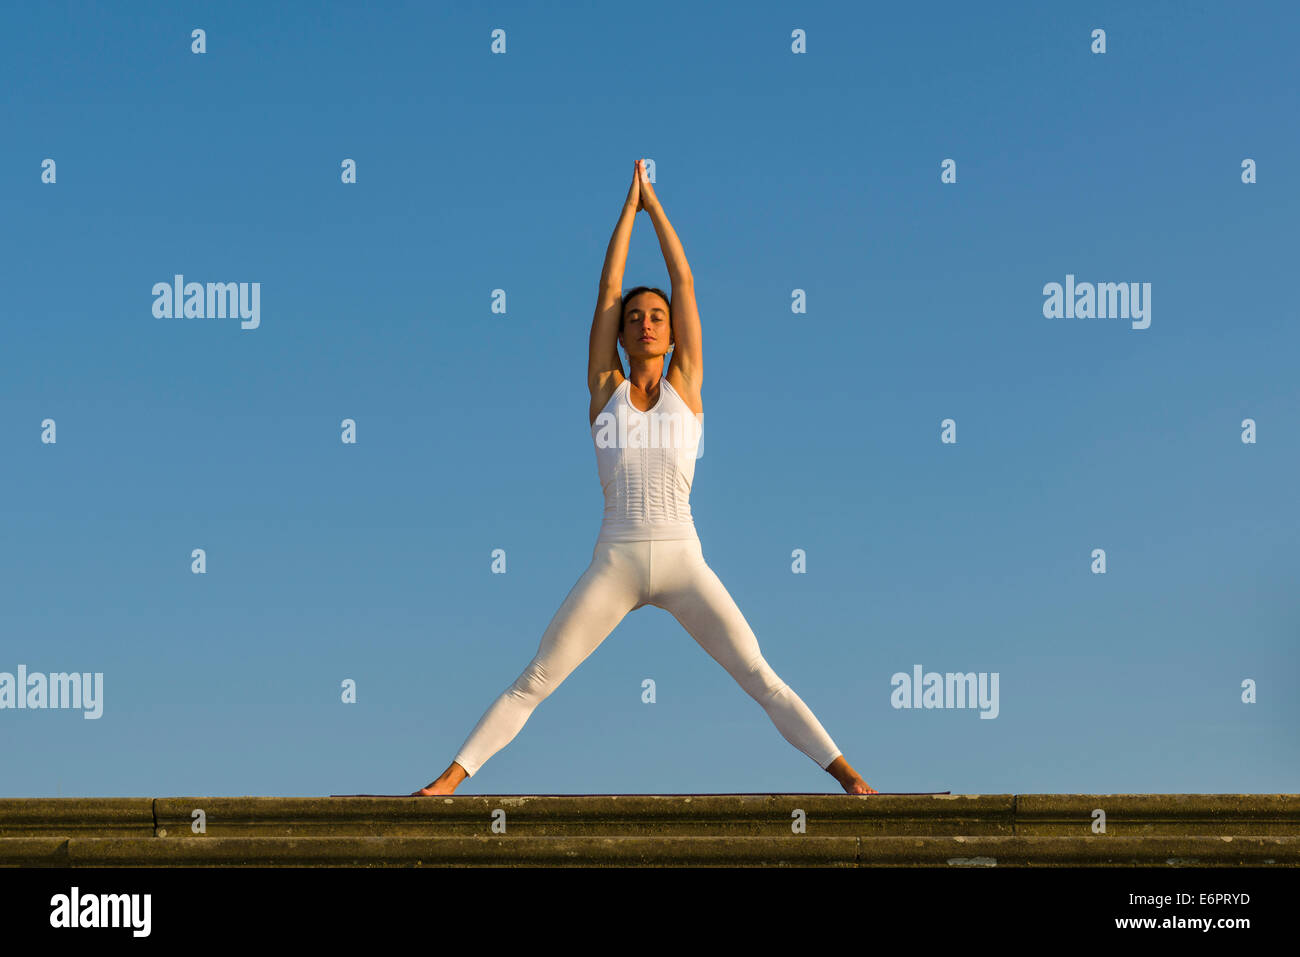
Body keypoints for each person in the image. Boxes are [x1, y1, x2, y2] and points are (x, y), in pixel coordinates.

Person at [414, 159, 876, 796]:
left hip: (685, 560)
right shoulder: (606, 390)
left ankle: (852, 780)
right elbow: (607, 293)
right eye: (636, 319)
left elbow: (684, 280)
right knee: (536, 679)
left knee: (760, 676)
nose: (647, 322)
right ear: (624, 336)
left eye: (657, 317)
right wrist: (624, 215)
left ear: (670, 332)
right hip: (617, 559)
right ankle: (446, 783)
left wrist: (653, 207)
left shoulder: (687, 387)